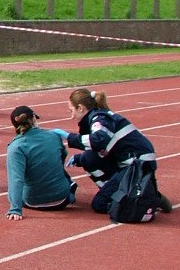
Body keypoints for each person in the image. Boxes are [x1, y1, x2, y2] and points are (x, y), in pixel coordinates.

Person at [62, 88, 173, 216]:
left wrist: (67, 136)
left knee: (100, 204)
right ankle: (124, 192)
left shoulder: (100, 118)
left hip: (138, 165)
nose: (71, 116)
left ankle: (148, 197)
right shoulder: (96, 117)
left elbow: (99, 140)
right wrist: (80, 158)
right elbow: (101, 147)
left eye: (72, 111)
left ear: (80, 108)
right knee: (87, 158)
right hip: (129, 161)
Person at [5, 105, 76, 220]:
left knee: (19, 188)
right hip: (62, 199)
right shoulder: (54, 136)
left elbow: (16, 179)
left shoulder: (15, 147)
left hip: (33, 200)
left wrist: (15, 209)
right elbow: (62, 157)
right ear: (33, 118)